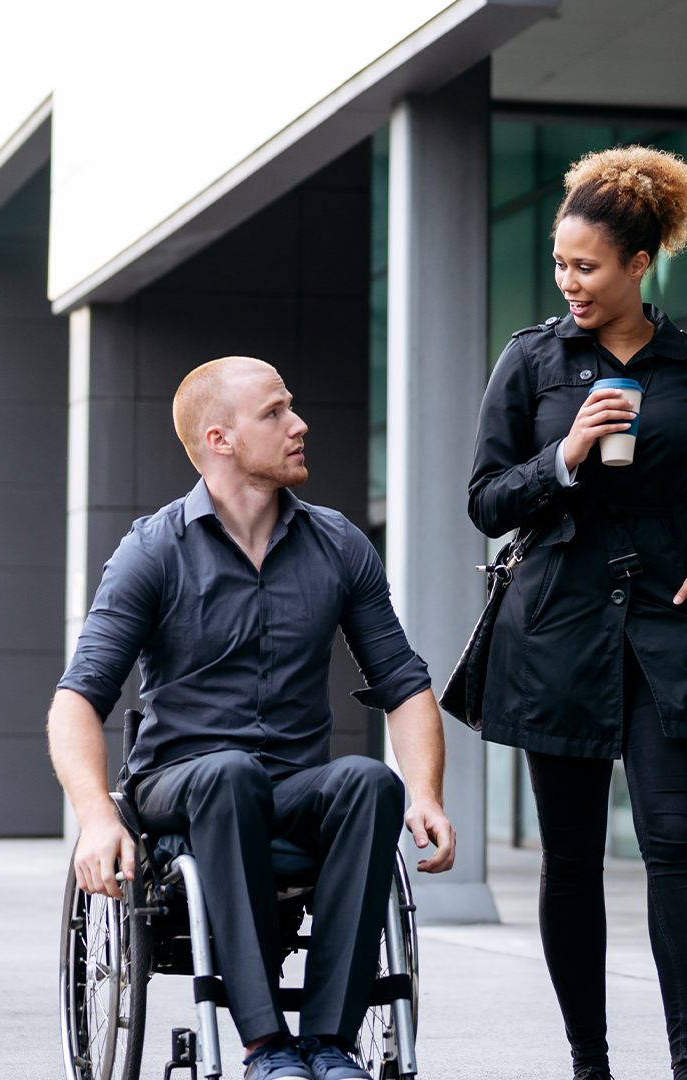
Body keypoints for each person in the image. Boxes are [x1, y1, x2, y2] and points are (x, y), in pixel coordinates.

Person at [50, 356, 456, 1080]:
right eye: (274, 413)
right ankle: (266, 1045)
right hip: (179, 784)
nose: (299, 424)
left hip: (291, 787)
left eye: (291, 407)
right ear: (221, 439)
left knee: (369, 782)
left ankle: (328, 1044)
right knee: (230, 774)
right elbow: (78, 699)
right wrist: (94, 816)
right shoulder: (153, 551)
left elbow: (404, 683)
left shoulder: (339, 545)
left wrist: (424, 792)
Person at [466, 146, 687, 1080]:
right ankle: (590, 1063)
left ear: (637, 264)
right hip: (558, 631)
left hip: (668, 630)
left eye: (586, 266)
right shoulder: (532, 359)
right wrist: (565, 458)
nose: (569, 282)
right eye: (560, 264)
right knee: (571, 860)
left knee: (677, 848)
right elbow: (487, 499)